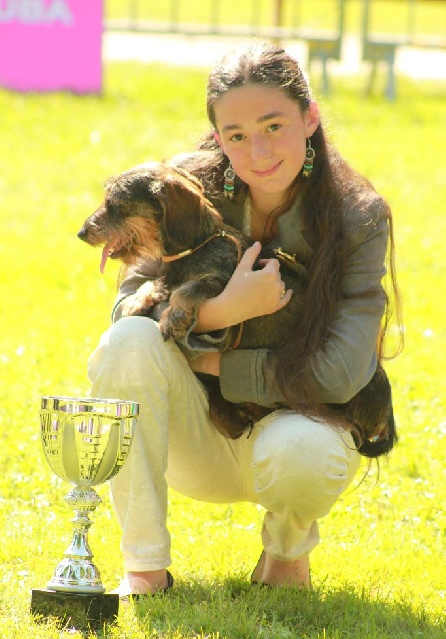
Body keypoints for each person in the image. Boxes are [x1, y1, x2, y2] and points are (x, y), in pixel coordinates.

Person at [87, 42, 401, 596]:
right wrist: (223, 310)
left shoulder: (357, 214)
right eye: (235, 135)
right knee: (127, 342)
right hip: (198, 435)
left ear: (310, 117)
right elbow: (126, 310)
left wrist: (212, 361)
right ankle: (144, 566)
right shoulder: (182, 189)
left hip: (300, 427)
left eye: (274, 125)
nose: (257, 151)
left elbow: (342, 373)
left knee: (302, 451)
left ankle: (286, 553)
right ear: (217, 137)